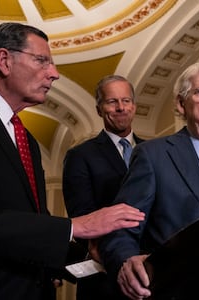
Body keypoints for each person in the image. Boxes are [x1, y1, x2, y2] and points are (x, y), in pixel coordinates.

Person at [0, 22, 145, 300]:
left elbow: (33, 223)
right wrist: (76, 226)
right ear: (4, 61)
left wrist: (96, 257)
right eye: (42, 61)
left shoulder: (27, 140)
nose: (54, 74)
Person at [99, 60, 199, 300]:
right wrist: (127, 262)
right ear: (180, 103)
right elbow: (121, 229)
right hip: (178, 290)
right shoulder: (152, 155)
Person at [63, 75, 144, 299]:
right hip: (104, 275)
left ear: (134, 106)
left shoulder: (155, 151)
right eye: (112, 102)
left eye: (126, 101)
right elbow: (82, 216)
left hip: (150, 270)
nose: (120, 108)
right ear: (99, 109)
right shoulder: (80, 156)